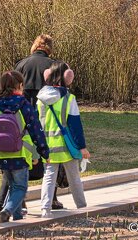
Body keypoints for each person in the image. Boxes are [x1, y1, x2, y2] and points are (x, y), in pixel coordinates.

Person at [0, 71, 49, 225]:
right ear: (19, 85)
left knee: (12, 186)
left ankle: (17, 220)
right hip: (20, 153)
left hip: (1, 154)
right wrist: (44, 152)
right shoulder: (24, 105)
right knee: (20, 188)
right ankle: (5, 211)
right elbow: (36, 130)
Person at [13, 34, 64, 212]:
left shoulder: (21, 64)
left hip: (25, 116)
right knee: (51, 158)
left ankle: (21, 198)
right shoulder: (56, 66)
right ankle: (52, 198)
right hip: (49, 119)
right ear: (49, 47)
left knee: (25, 156)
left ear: (34, 46)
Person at [37, 61, 90, 217]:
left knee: (48, 178)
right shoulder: (69, 98)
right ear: (67, 77)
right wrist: (82, 146)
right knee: (74, 178)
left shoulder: (40, 98)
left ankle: (45, 210)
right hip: (66, 146)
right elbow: (75, 125)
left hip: (47, 146)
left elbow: (36, 122)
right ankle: (82, 207)